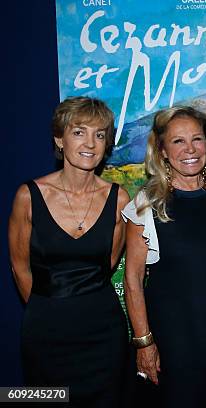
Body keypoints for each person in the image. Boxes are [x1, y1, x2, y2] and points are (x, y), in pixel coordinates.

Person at [122, 106, 206, 407]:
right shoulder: (147, 204)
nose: (190, 149)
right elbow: (132, 279)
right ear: (162, 151)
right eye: (178, 141)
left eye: (197, 139)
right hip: (176, 345)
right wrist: (144, 342)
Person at [8, 96, 130, 406]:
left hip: (103, 335)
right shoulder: (28, 196)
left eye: (100, 134)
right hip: (45, 335)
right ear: (59, 139)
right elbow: (20, 268)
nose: (90, 142)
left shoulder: (119, 200)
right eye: (79, 132)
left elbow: (110, 263)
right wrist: (47, 309)